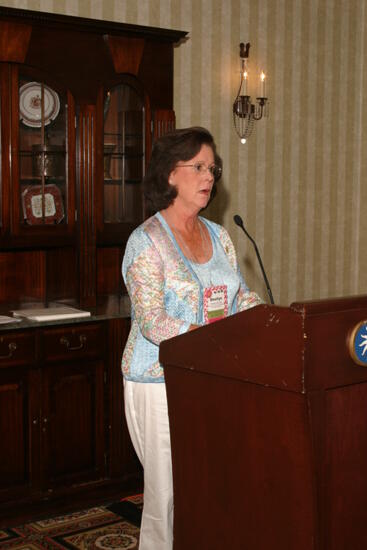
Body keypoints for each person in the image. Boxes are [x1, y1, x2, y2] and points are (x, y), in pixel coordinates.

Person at [121, 126, 262, 550]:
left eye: (212, 168)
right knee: (166, 496)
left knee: (207, 488)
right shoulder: (145, 242)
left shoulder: (219, 235)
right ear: (169, 174)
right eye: (198, 167)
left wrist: (268, 316)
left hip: (211, 379)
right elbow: (152, 321)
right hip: (157, 382)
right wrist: (211, 338)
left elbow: (238, 295)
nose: (209, 177)